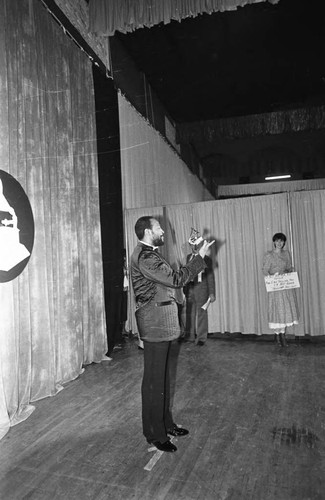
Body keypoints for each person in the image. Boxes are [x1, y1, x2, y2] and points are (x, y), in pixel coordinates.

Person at [131, 216, 214, 453]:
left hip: (161, 323)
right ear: (148, 231)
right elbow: (177, 280)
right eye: (158, 228)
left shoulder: (150, 254)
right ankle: (155, 433)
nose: (163, 231)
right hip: (155, 324)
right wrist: (200, 258)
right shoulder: (146, 256)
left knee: (162, 379)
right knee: (155, 381)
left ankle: (165, 424)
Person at [262, 232, 299, 347]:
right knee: (278, 311)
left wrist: (290, 271)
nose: (279, 243)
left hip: (285, 286)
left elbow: (288, 267)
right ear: (274, 242)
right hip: (275, 286)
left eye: (281, 241)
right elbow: (265, 270)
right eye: (277, 241)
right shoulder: (269, 255)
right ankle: (278, 335)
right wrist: (272, 277)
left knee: (285, 311)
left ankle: (281, 335)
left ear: (284, 243)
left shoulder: (286, 254)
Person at [183, 244, 216, 345]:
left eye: (197, 245)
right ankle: (190, 336)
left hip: (202, 289)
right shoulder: (188, 257)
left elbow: (210, 276)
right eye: (193, 245)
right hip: (190, 288)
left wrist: (211, 293)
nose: (195, 247)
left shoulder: (207, 259)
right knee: (190, 314)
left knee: (202, 313)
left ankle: (201, 338)